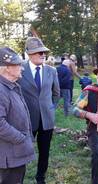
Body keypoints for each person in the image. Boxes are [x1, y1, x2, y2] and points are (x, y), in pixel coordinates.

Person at [18, 37, 60, 184]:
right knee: (21, 151)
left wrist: (50, 108)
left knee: (44, 152)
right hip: (26, 119)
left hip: (47, 120)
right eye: (39, 52)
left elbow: (56, 94)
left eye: (44, 52)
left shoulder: (51, 70)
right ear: (29, 53)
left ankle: (40, 178)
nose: (43, 54)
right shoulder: (20, 69)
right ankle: (18, 178)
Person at [0, 47, 35, 184]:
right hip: (9, 155)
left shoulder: (11, 85)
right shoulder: (1, 90)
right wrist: (20, 138)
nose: (22, 68)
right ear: (7, 68)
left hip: (15, 152)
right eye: (18, 64)